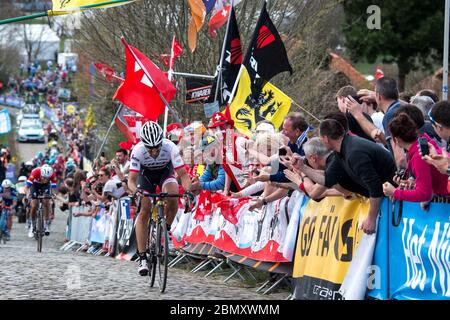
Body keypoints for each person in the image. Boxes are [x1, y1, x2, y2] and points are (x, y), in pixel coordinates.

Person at [127, 121, 193, 276]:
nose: (154, 151)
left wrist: (188, 192)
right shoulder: (137, 151)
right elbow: (131, 180)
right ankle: (142, 257)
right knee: (144, 211)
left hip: (165, 173)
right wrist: (136, 192)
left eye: (157, 147)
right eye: (150, 148)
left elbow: (183, 175)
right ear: (144, 144)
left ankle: (165, 228)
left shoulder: (170, 147)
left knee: (173, 195)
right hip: (146, 177)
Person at [319, 119, 396, 234]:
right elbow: (327, 179)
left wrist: (371, 218)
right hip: (389, 195)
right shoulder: (341, 149)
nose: (321, 141)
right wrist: (302, 167)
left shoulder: (354, 152)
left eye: (320, 138)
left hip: (396, 193)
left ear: (325, 138)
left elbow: (375, 187)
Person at [382, 114, 449, 202]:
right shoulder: (424, 144)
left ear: (395, 140)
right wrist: (415, 183)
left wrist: (394, 192)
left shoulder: (418, 156)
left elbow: (424, 194)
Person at [25, 164, 57, 237]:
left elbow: (53, 189)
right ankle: (32, 226)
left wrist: (53, 195)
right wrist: (28, 194)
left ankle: (46, 224)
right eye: (44, 177)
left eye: (47, 178)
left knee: (46, 202)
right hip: (35, 185)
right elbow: (27, 187)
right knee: (34, 205)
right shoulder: (35, 172)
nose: (45, 179)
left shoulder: (52, 175)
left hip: (46, 186)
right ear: (41, 174)